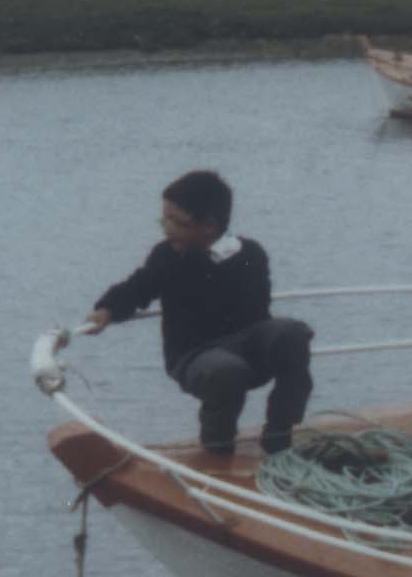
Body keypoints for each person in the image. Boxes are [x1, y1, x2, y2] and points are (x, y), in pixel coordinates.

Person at [82, 169, 313, 461]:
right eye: (163, 219)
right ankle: (218, 449)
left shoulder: (251, 254)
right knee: (226, 370)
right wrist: (106, 310)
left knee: (294, 334)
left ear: (209, 226)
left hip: (246, 344)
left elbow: (260, 312)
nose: (165, 228)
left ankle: (279, 434)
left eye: (174, 222)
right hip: (194, 356)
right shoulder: (168, 257)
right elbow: (138, 287)